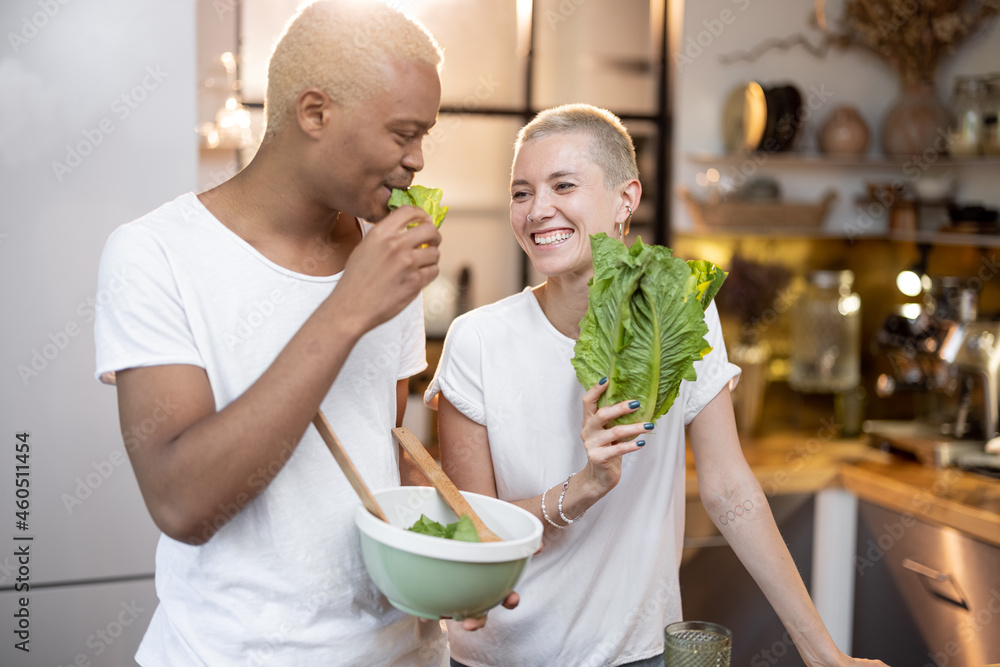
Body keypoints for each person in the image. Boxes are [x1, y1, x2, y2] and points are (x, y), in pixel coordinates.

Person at [93, 2, 496, 664]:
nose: (418, 159)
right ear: (314, 113)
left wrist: (451, 564)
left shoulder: (382, 251)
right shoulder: (152, 254)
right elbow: (181, 500)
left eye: (425, 134)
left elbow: (386, 454)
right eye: (403, 133)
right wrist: (347, 307)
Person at [424, 104, 890, 667]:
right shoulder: (477, 339)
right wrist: (587, 486)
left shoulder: (680, 310)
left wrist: (824, 655)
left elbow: (729, 491)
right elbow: (472, 534)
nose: (538, 210)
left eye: (563, 185)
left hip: (639, 654)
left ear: (627, 199)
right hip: (501, 658)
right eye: (521, 193)